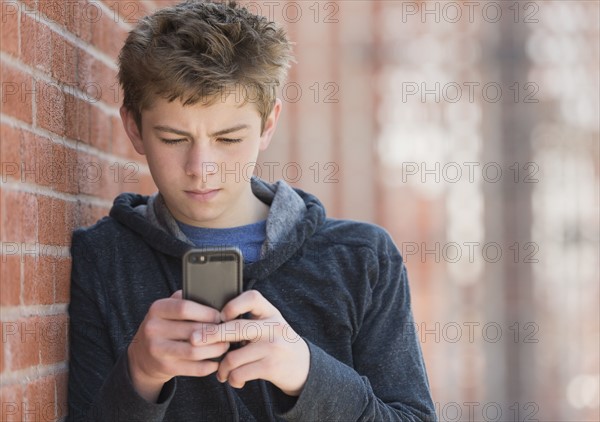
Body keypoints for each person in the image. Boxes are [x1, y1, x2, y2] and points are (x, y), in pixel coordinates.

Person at [67, 1, 436, 420]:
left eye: (227, 139)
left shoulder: (362, 257)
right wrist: (140, 375)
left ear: (269, 124)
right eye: (173, 139)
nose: (201, 169)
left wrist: (308, 375)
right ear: (134, 127)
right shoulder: (104, 258)